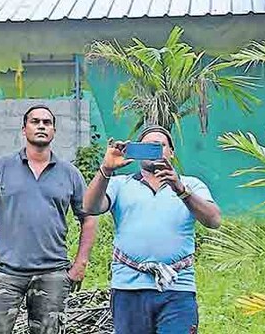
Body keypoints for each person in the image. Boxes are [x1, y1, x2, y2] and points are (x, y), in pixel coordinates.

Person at [0, 104, 98, 334]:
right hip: (6, 272)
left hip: (52, 273)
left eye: (47, 122)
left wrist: (81, 262)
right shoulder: (2, 167)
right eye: (35, 121)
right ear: (24, 129)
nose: (41, 126)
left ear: (54, 131)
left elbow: (89, 218)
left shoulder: (69, 173)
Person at [81, 125, 221, 334]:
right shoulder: (120, 184)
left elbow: (213, 220)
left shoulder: (191, 184)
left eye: (160, 145)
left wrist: (180, 190)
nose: (155, 149)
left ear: (171, 152)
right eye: (147, 146)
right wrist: (106, 170)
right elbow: (90, 207)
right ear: (137, 151)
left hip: (177, 289)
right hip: (128, 288)